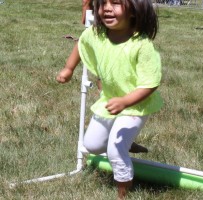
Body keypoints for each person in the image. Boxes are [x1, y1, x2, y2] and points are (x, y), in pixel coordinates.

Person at [56, 0, 163, 199]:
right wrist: (69, 68)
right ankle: (127, 143)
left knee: (115, 149)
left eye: (115, 3)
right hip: (111, 100)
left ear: (134, 10)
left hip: (135, 105)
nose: (106, 8)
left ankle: (123, 193)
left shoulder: (142, 44)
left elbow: (151, 83)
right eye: (103, 2)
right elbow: (81, 43)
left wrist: (125, 102)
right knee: (92, 145)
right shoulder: (97, 34)